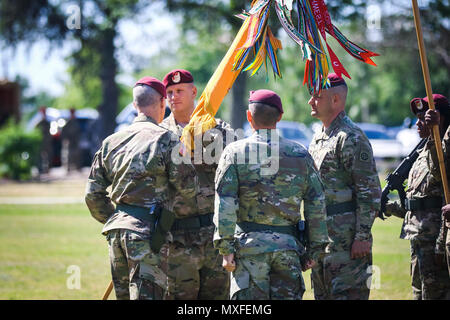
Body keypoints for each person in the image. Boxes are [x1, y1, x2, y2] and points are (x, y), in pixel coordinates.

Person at [85, 76, 195, 300]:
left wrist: (116, 219)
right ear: (163, 103)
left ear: (135, 105)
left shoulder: (111, 142)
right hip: (149, 234)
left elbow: (92, 194)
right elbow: (189, 187)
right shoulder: (167, 139)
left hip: (117, 234)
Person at [214, 89, 329, 300]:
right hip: (288, 250)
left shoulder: (234, 153)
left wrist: (226, 248)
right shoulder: (301, 154)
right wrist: (315, 249)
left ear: (249, 117)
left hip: (249, 252)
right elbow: (316, 203)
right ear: (280, 117)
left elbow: (226, 203)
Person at [308, 73, 382, 300]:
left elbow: (369, 191)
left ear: (336, 100)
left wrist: (362, 236)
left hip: (347, 241)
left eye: (317, 97)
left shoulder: (351, 137)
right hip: (322, 239)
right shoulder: (319, 137)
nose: (311, 101)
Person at [159, 69, 232, 300]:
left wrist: (207, 135)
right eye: (169, 92)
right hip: (177, 236)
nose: (173, 97)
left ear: (194, 92)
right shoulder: (160, 133)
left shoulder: (217, 127)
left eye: (179, 91)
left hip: (213, 235)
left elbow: (234, 160)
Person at [385, 94, 450, 300]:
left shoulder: (441, 150)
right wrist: (386, 207)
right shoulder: (422, 152)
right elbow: (417, 202)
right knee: (419, 294)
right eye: (419, 119)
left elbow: (442, 180)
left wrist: (435, 135)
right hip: (419, 238)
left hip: (436, 239)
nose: (418, 124)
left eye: (425, 118)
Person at [36, 106, 53, 174]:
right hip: (41, 142)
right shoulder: (38, 122)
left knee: (48, 156)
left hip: (47, 142)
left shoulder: (47, 122)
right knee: (40, 156)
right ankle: (40, 170)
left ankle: (47, 169)